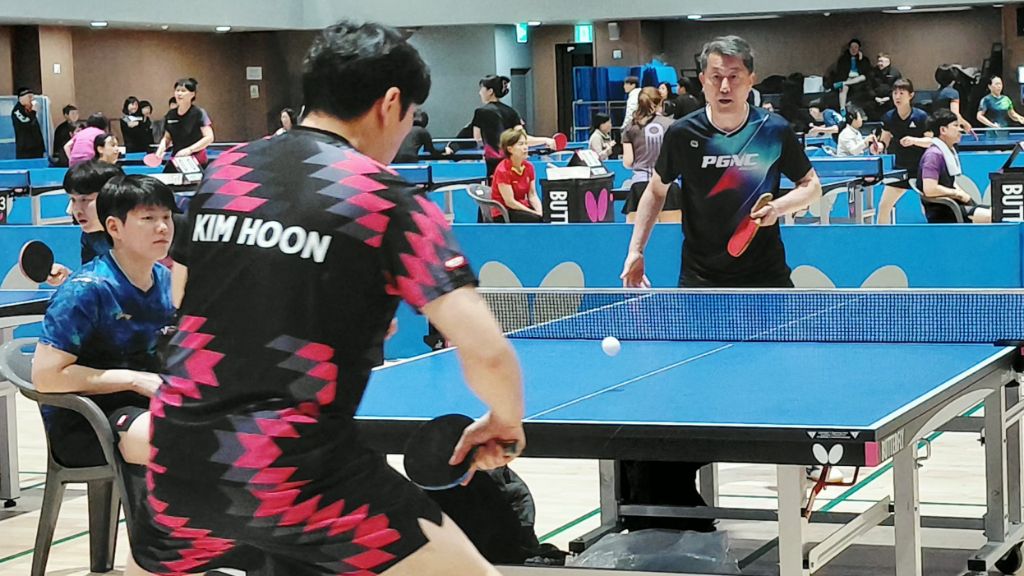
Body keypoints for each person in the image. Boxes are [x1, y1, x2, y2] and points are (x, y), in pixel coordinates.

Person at [132, 19, 525, 576]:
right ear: (391, 104)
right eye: (410, 116)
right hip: (295, 476)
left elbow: (187, 294)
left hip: (178, 460)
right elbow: (486, 351)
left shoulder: (227, 172)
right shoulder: (386, 200)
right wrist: (505, 421)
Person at [619, 36, 821, 531]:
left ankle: (799, 469)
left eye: (734, 76)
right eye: (715, 76)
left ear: (750, 79)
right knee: (691, 389)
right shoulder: (683, 133)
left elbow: (811, 186)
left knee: (784, 384)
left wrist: (779, 208)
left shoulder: (774, 130)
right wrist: (636, 250)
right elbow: (655, 191)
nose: (724, 85)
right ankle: (675, 504)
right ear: (703, 81)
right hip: (701, 283)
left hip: (766, 281)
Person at [32, 174, 178, 576]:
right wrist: (132, 380)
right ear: (114, 226)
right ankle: (155, 562)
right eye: (148, 218)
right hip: (87, 422)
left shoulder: (166, 282)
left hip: (148, 406)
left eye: (167, 217)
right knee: (175, 439)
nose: (163, 227)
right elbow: (47, 376)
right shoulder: (87, 289)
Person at [472, 74, 553, 178]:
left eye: (482, 89)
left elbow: (477, 138)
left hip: (494, 165)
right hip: (513, 162)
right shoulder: (512, 112)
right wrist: (545, 140)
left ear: (490, 91)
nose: (480, 93)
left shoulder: (480, 112)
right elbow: (523, 138)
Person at [919, 109, 991, 223]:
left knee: (997, 212)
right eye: (955, 125)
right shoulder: (933, 155)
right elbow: (930, 189)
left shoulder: (947, 151)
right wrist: (957, 194)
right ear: (943, 130)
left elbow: (949, 182)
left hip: (955, 205)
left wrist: (964, 196)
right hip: (945, 211)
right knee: (991, 217)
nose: (960, 130)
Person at [621, 87, 680, 223]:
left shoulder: (631, 127)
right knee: (670, 233)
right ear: (661, 102)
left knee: (637, 234)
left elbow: (628, 162)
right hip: (668, 185)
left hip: (640, 186)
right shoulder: (673, 125)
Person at [877, 78, 932, 224]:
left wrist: (914, 140)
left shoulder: (921, 117)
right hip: (901, 169)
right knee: (883, 206)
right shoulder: (889, 117)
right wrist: (878, 147)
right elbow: (884, 141)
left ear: (911, 95)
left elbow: (931, 142)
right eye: (895, 93)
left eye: (902, 93)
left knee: (929, 210)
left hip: (922, 170)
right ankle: (882, 236)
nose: (897, 96)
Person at [64, 160, 125, 263]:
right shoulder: (90, 237)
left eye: (85, 200)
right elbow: (91, 271)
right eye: (73, 200)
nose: (77, 209)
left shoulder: (140, 235)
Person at [154, 78, 215, 166]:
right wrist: (159, 151)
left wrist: (190, 150)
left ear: (192, 94)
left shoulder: (199, 113)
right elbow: (167, 138)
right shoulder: (171, 114)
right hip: (177, 158)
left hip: (196, 159)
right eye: (177, 90)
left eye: (183, 91)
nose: (179, 93)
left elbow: (209, 137)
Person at [490, 128, 543, 223]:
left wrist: (540, 211)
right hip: (504, 212)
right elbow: (510, 202)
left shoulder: (529, 167)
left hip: (521, 208)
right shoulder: (503, 170)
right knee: (535, 219)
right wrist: (533, 213)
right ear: (510, 149)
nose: (525, 147)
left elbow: (532, 195)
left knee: (547, 216)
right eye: (521, 144)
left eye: (526, 143)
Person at [829, 39, 872, 115]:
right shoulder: (843, 59)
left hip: (858, 79)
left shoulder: (864, 59)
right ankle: (842, 109)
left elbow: (866, 72)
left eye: (856, 47)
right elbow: (840, 72)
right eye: (852, 47)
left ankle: (843, 83)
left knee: (862, 77)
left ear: (859, 49)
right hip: (847, 78)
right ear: (849, 48)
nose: (853, 49)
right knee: (844, 87)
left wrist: (861, 60)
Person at [934, 66, 973, 134]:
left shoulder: (935, 94)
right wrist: (966, 125)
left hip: (937, 126)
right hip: (949, 127)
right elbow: (955, 113)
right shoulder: (953, 93)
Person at [12, 87, 45, 159]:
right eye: (29, 97)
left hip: (37, 149)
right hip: (26, 151)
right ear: (21, 98)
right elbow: (27, 123)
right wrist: (33, 112)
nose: (32, 100)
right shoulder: (17, 111)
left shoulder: (29, 111)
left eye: (33, 97)